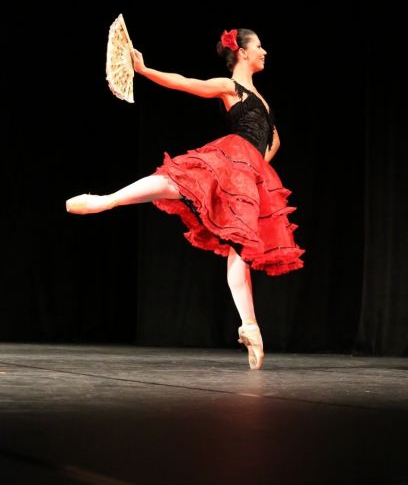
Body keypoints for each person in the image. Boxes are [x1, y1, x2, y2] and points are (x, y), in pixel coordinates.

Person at [66, 28, 305, 369]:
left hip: (249, 169)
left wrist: (253, 171)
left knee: (240, 247)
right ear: (241, 52)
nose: (265, 51)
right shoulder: (230, 87)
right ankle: (109, 199)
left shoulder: (263, 101)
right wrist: (145, 71)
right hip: (234, 154)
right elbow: (185, 82)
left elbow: (275, 141)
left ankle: (250, 327)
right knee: (180, 180)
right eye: (259, 46)